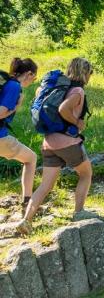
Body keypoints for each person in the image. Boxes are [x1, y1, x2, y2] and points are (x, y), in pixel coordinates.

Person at [17, 57, 97, 234]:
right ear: (85, 72)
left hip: (48, 144)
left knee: (45, 185)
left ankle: (26, 220)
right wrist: (77, 122)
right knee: (86, 174)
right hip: (68, 142)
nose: (90, 77)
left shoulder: (56, 88)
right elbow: (62, 109)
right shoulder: (77, 91)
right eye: (90, 73)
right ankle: (79, 212)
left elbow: (39, 94)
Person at [0, 58, 38, 220]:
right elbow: (1, 112)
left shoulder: (6, 83)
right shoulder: (14, 86)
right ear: (29, 74)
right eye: (34, 78)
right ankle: (27, 201)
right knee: (31, 158)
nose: (33, 81)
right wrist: (17, 106)